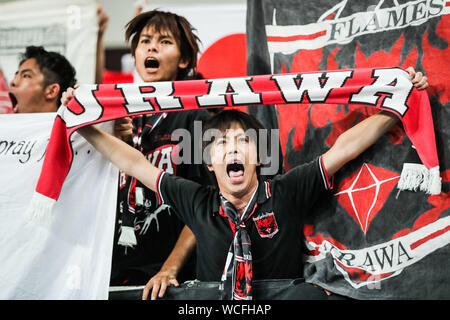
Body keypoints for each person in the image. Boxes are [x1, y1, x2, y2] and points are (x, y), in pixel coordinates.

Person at [72, 65, 427, 299]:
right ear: (210, 163)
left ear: (259, 157)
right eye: (220, 144)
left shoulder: (286, 190)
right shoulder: (197, 200)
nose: (232, 149)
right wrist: (82, 124)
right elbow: (134, 163)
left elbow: (345, 148)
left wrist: (397, 102)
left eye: (243, 141)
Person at [65, 10, 212, 300]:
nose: (152, 47)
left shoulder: (198, 118)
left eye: (164, 41)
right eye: (145, 41)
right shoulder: (118, 116)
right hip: (109, 271)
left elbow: (204, 205)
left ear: (183, 61)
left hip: (169, 278)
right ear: (135, 55)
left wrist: (170, 269)